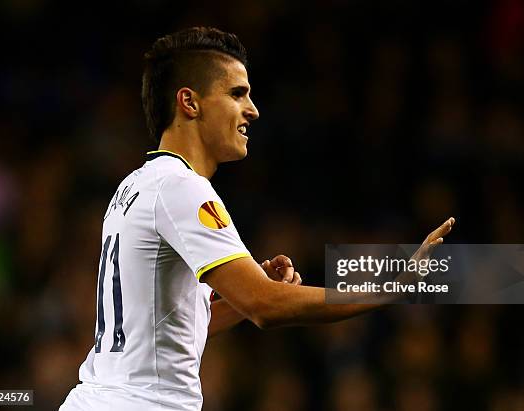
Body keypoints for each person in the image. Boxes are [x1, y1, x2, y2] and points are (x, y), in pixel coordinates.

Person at [60, 26, 455, 411]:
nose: (253, 109)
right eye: (237, 94)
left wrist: (241, 292)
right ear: (189, 102)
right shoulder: (182, 188)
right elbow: (266, 306)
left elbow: (165, 331)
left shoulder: (134, 186)